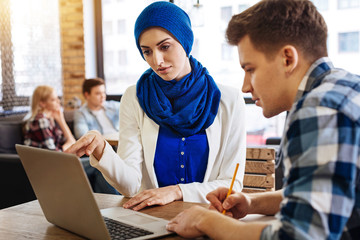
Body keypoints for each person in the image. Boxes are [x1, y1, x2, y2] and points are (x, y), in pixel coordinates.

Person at [166, 0, 360, 239]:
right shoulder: (345, 87)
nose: (245, 86)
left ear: (287, 59)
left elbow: (299, 235)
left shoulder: (319, 109)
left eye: (250, 69)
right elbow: (318, 195)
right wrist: (251, 202)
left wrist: (206, 221)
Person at [66, 1, 246, 210]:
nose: (157, 60)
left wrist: (177, 191)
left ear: (185, 41)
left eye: (165, 46)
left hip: (208, 218)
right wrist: (102, 149)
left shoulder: (229, 100)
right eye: (147, 51)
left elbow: (232, 184)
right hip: (152, 220)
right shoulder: (134, 97)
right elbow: (131, 186)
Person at [24, 85, 76, 151]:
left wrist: (61, 120)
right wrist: (70, 144)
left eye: (58, 98)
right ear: (42, 103)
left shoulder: (50, 119)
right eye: (53, 100)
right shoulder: (41, 120)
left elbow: (69, 139)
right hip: (41, 160)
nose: (58, 101)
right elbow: (53, 154)